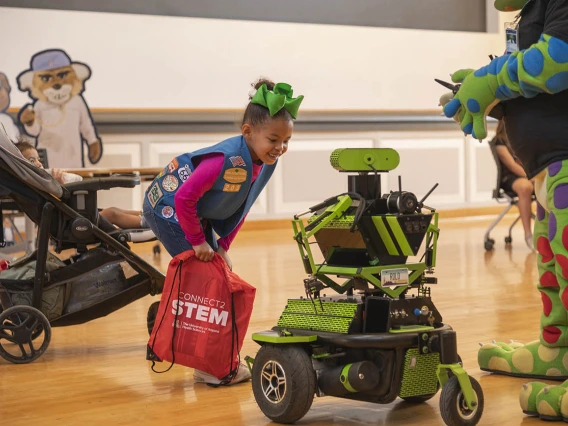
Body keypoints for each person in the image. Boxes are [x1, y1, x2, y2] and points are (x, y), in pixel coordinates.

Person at [439, 0, 568, 417]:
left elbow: (558, 59)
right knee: (555, 269)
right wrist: (482, 91)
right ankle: (558, 347)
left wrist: (491, 80)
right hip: (549, 168)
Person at [142, 78, 303, 385]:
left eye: (286, 141)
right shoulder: (226, 159)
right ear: (247, 132)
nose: (280, 148)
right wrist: (198, 242)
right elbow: (183, 198)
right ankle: (209, 367)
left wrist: (223, 245)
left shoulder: (264, 161)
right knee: (209, 282)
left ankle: (209, 360)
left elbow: (243, 205)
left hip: (194, 211)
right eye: (273, 139)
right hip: (169, 208)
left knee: (218, 273)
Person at [16, 141, 145, 229]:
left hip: (69, 217)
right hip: (68, 223)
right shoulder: (34, 185)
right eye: (32, 161)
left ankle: (145, 215)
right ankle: (145, 223)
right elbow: (56, 202)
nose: (39, 164)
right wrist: (58, 184)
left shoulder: (38, 182)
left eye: (39, 159)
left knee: (112, 210)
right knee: (112, 213)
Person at [492, 120, 535, 250]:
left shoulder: (522, 138)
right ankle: (528, 234)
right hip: (510, 178)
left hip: (528, 175)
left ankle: (547, 233)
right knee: (525, 187)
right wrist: (531, 176)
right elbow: (512, 165)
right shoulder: (499, 141)